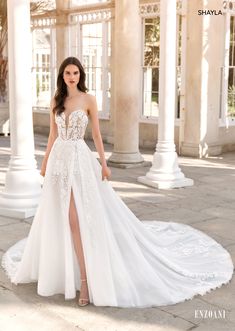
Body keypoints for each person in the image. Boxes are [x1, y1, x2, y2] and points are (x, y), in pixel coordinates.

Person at [1, 57, 234, 308]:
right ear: (62, 75)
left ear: (81, 75)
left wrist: (104, 163)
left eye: (76, 72)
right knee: (61, 218)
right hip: (59, 161)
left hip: (80, 161)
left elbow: (98, 135)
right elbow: (53, 135)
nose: (72, 77)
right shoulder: (56, 101)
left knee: (76, 219)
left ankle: (86, 279)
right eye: (68, 72)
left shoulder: (88, 99)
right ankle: (62, 271)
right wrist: (45, 162)